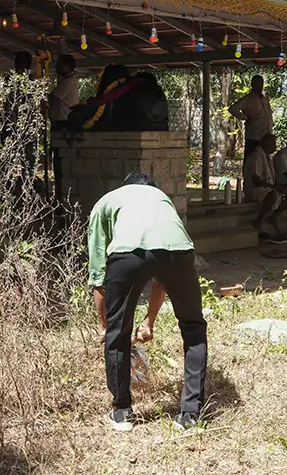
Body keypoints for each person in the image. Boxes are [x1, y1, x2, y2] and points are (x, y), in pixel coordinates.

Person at [88, 173, 207, 432]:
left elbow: (98, 276)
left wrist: (104, 326)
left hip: (127, 254)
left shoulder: (107, 202)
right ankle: (190, 415)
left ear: (126, 186)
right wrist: (149, 322)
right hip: (179, 252)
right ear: (150, 188)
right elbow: (162, 274)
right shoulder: (162, 199)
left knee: (118, 332)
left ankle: (121, 412)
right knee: (194, 327)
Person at [244, 133, 287, 241]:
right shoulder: (256, 156)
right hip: (254, 189)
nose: (275, 147)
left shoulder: (267, 157)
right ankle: (259, 220)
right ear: (265, 144)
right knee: (273, 194)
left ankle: (273, 217)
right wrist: (273, 187)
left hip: (267, 187)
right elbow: (256, 181)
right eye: (273, 144)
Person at [229, 75, 273, 160]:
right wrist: (245, 117)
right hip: (254, 136)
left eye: (261, 83)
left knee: (263, 162)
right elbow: (233, 109)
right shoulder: (248, 99)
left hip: (266, 136)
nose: (260, 86)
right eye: (258, 83)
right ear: (252, 84)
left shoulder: (264, 99)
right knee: (252, 160)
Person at [48, 54, 80, 123]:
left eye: (59, 64)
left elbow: (53, 98)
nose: (56, 67)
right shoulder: (70, 80)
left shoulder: (68, 82)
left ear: (66, 66)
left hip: (63, 122)